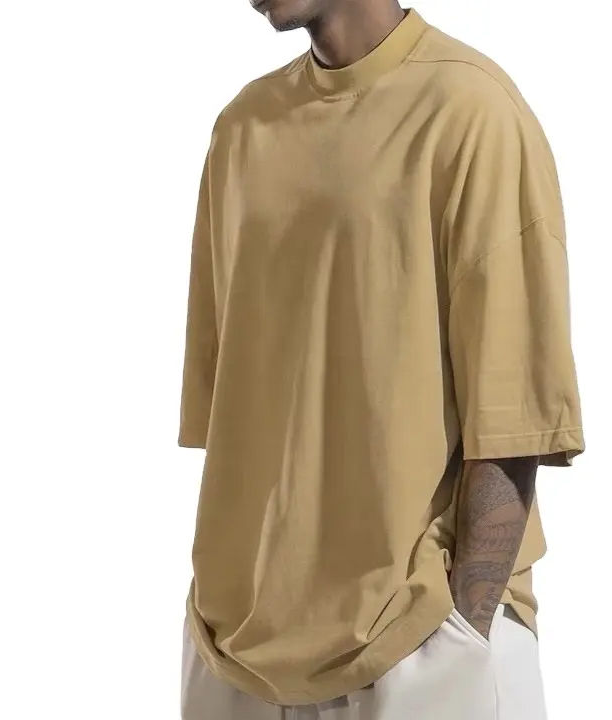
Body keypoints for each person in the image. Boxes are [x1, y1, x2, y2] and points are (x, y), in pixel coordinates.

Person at [177, 2, 585, 718]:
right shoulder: (242, 129)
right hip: (237, 650)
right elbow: (232, 410)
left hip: (418, 642)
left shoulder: (470, 109)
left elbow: (514, 413)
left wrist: (464, 632)